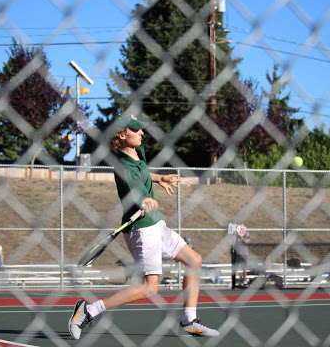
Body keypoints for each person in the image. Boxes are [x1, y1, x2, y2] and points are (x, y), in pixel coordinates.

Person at [69, 113, 219, 339]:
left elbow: (144, 171)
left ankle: (189, 320)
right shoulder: (122, 166)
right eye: (136, 130)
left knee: (194, 260)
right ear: (121, 134)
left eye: (141, 129)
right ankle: (89, 310)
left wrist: (159, 179)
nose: (141, 133)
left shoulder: (137, 152)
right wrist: (145, 200)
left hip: (156, 224)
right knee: (150, 287)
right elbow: (134, 189)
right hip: (142, 229)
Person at [233, 223, 250, 287]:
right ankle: (234, 280)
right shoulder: (236, 235)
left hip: (244, 253)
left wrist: (241, 236)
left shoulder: (246, 233)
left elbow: (247, 242)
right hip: (238, 252)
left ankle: (245, 280)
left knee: (244, 267)